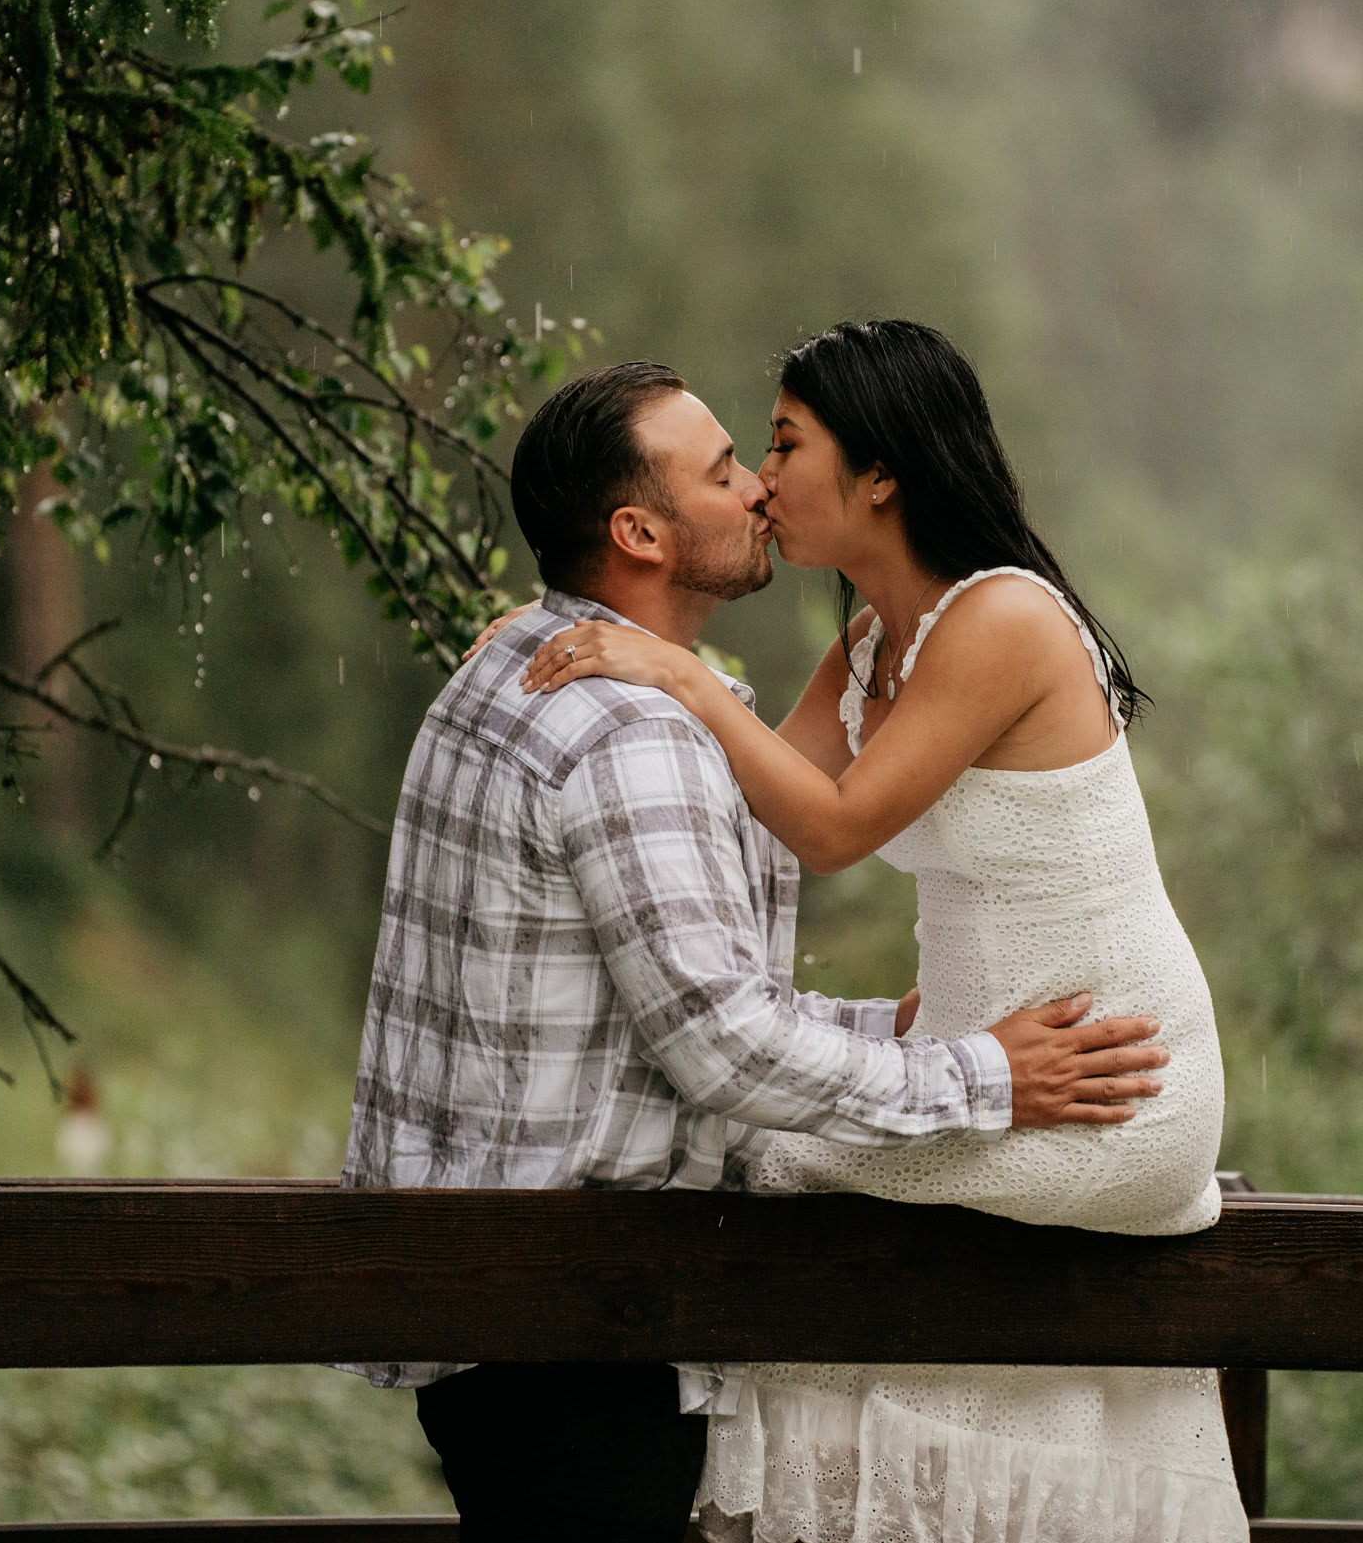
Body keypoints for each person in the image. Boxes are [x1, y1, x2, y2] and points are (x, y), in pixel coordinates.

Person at [342, 358, 1176, 1543]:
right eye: (730, 468)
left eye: (769, 454)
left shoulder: (512, 670)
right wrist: (986, 1074)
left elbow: (674, 977)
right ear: (638, 530)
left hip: (496, 1297)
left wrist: (884, 1027)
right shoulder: (631, 729)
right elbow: (725, 1044)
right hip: (574, 1317)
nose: (756, 491)